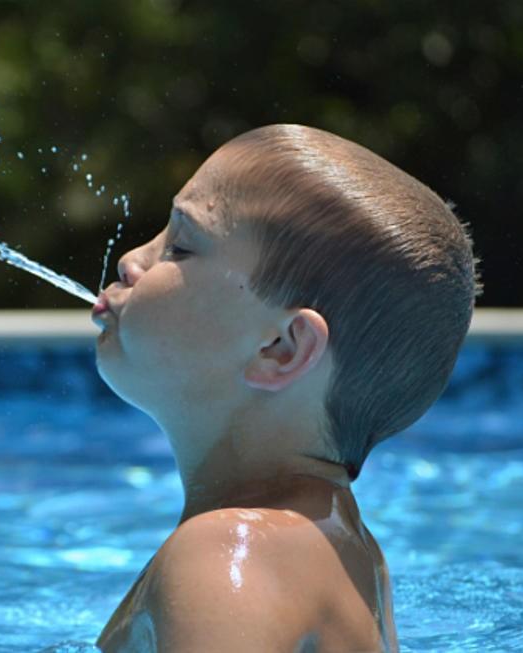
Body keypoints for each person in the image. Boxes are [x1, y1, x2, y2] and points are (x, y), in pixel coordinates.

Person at [91, 124, 483, 652]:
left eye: (180, 246)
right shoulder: (344, 549)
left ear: (281, 348)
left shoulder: (231, 552)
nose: (131, 261)